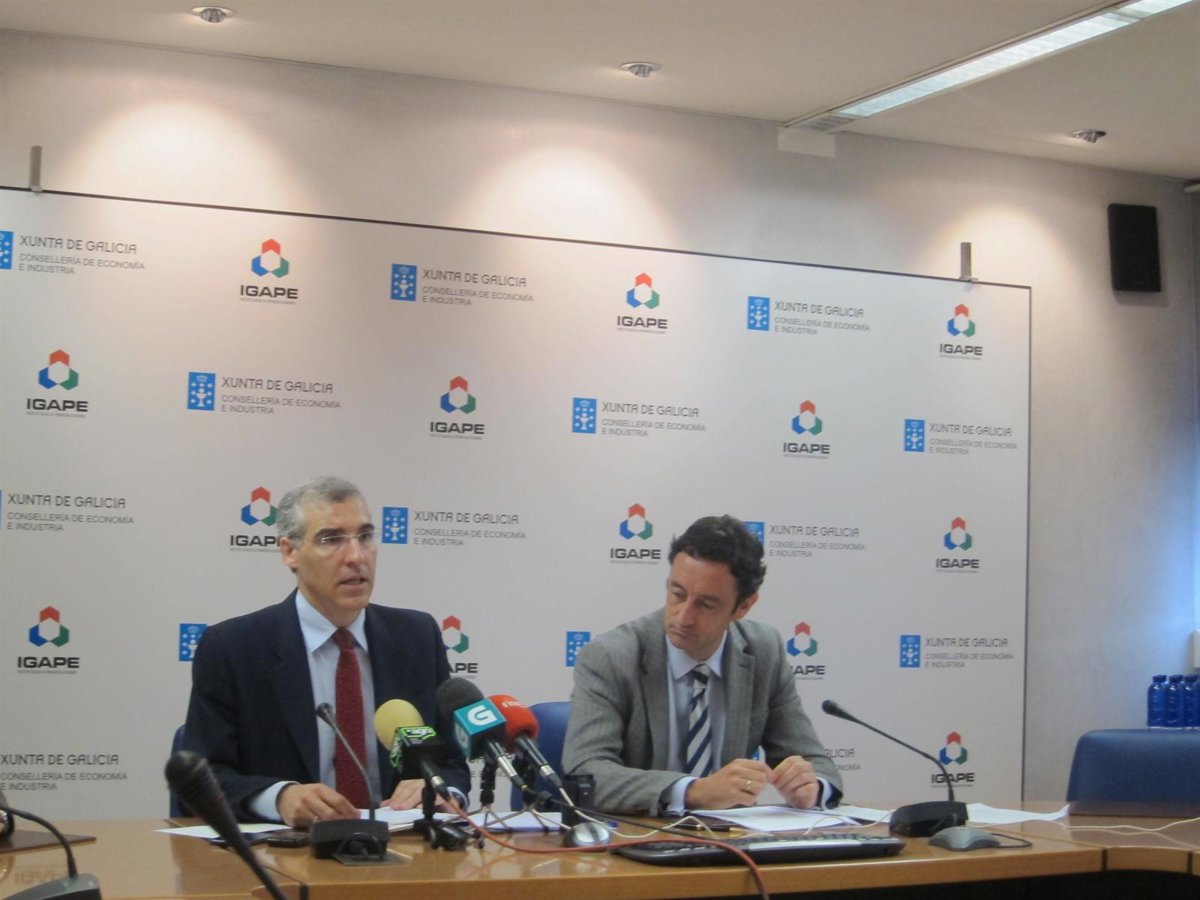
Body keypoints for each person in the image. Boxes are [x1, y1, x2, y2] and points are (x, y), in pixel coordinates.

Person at [182, 476, 469, 825]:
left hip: (400, 846)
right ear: (290, 552)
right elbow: (201, 778)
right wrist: (279, 797)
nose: (356, 556)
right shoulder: (233, 648)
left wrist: (440, 788)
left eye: (365, 536)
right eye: (331, 539)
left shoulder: (416, 637)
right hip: (286, 849)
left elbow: (451, 761)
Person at [563, 514, 841, 815]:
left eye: (706, 604)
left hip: (732, 837)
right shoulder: (611, 656)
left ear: (744, 606)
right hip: (638, 834)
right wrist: (693, 791)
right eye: (677, 594)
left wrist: (810, 787)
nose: (683, 616)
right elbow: (585, 772)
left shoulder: (764, 651)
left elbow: (815, 763)